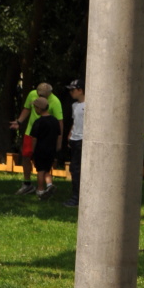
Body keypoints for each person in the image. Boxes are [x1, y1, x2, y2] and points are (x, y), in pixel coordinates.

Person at [10, 83, 63, 195]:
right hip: (31, 133)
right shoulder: (32, 94)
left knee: (41, 167)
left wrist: (59, 141)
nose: (41, 97)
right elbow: (26, 109)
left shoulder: (55, 102)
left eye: (44, 96)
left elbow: (60, 122)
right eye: (39, 95)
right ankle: (29, 184)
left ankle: (41, 189)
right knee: (26, 157)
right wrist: (19, 121)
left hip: (44, 138)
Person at [30, 97, 62, 200]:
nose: (35, 109)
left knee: (40, 170)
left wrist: (32, 151)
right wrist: (57, 147)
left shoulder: (38, 122)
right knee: (47, 169)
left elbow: (34, 139)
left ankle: (40, 190)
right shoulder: (55, 121)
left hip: (40, 150)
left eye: (35, 107)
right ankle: (49, 185)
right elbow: (59, 135)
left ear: (39, 108)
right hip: (51, 149)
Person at [63, 78, 85, 208]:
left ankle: (77, 198)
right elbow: (75, 122)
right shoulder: (75, 105)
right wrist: (70, 134)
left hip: (83, 140)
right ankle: (76, 196)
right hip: (75, 140)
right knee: (74, 169)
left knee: (77, 169)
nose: (71, 93)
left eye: (73, 90)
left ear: (80, 90)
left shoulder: (89, 105)